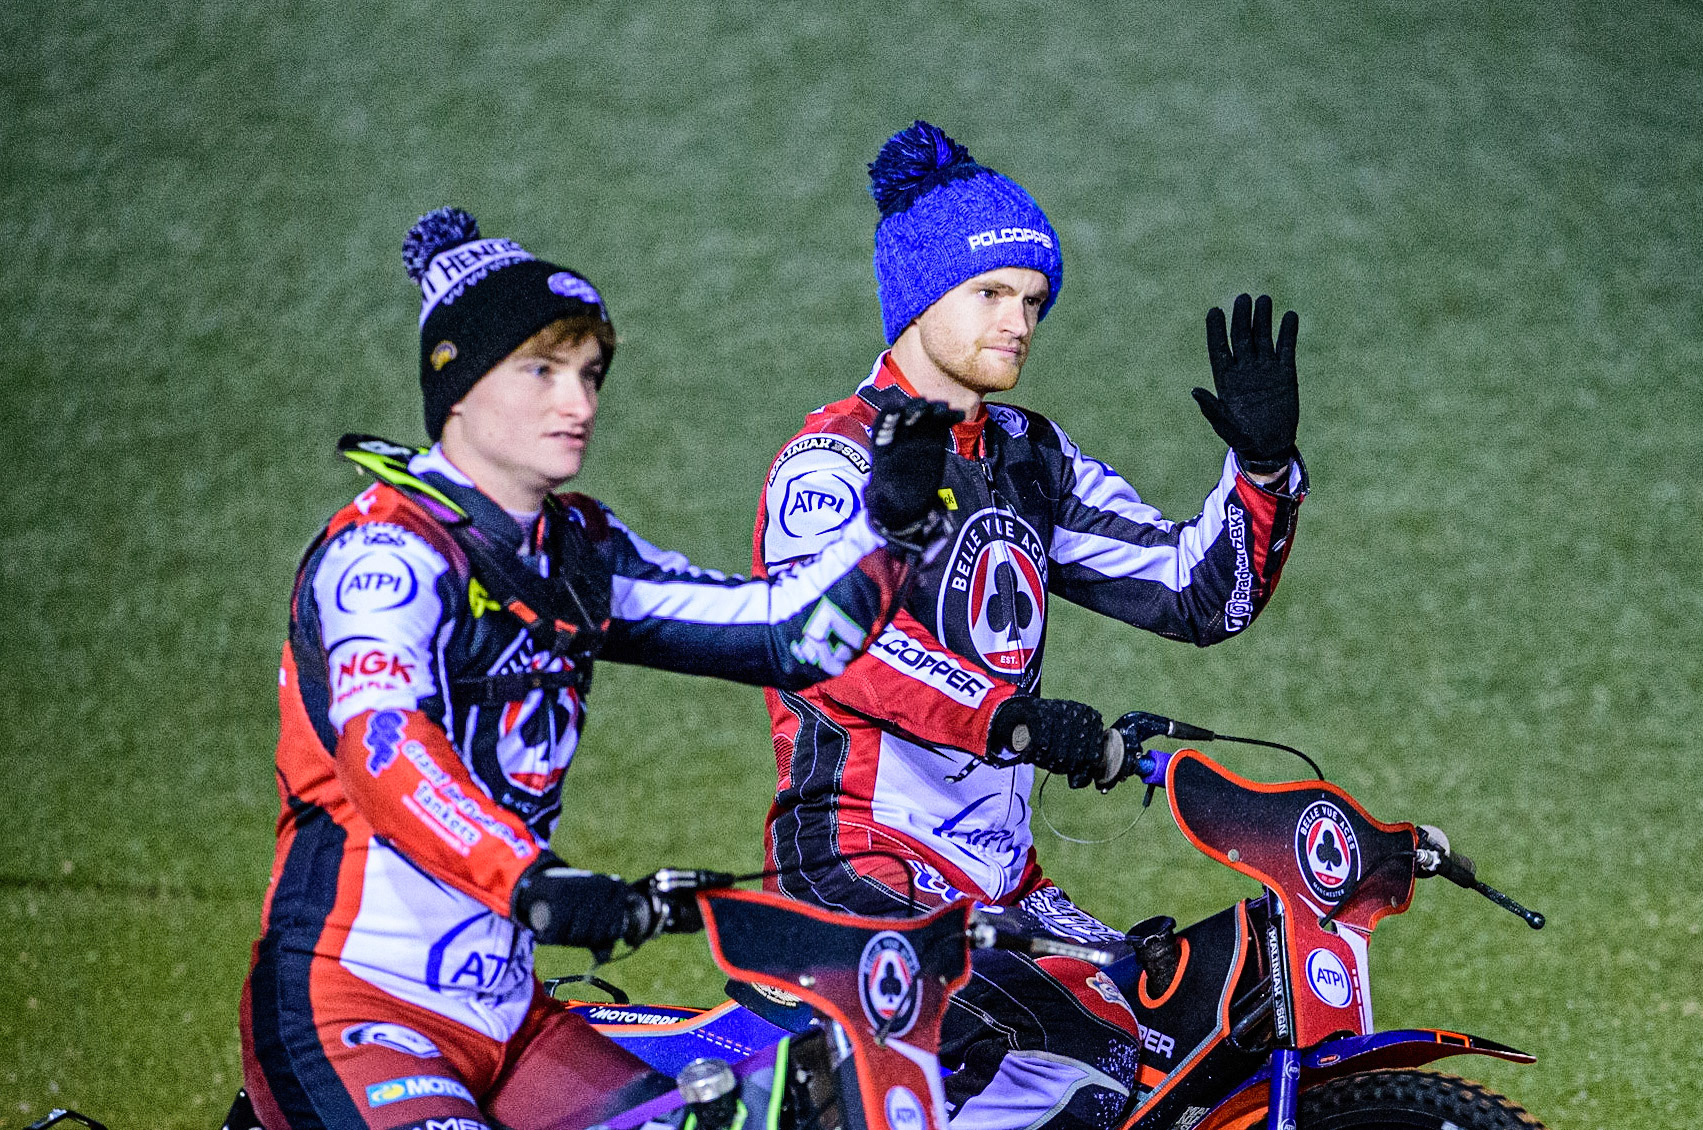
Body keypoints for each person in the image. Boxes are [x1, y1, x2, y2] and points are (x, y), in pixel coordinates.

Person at [237, 207, 959, 1130]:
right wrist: (530, 881)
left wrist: (888, 525)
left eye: (588, 373)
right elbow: (386, 751)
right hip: (351, 1010)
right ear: (456, 387)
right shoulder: (385, 556)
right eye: (540, 370)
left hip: (506, 1013)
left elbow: (786, 637)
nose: (576, 403)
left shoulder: (576, 552)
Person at [752, 122, 1307, 1130]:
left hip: (1000, 879)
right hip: (858, 864)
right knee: (1075, 1061)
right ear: (920, 296)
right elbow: (839, 650)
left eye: (1034, 301)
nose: (1019, 323)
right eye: (992, 294)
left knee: (1182, 1038)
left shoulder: (1026, 454)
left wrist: (1263, 471)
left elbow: (1197, 593)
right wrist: (1012, 720)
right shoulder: (829, 462)